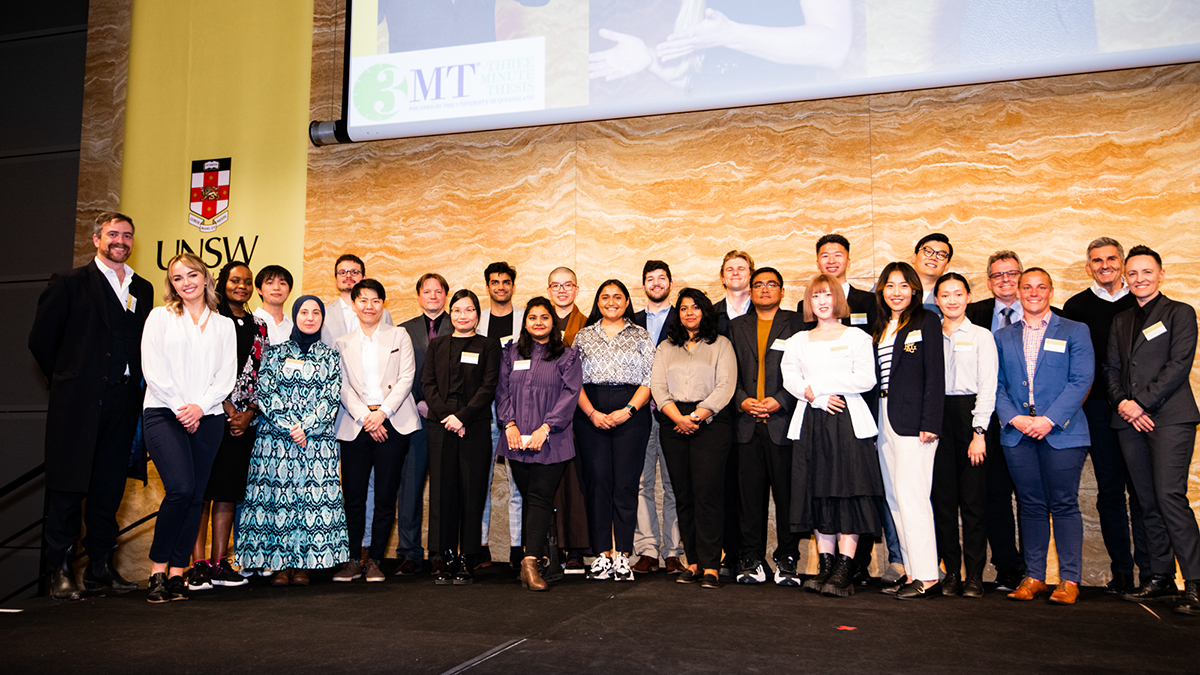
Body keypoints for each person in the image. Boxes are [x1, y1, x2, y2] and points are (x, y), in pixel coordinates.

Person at [29, 211, 153, 600]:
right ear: (96, 238)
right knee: (67, 488)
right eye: (113, 234)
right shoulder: (68, 282)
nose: (121, 240)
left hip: (125, 401)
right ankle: (60, 572)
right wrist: (69, 380)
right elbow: (41, 340)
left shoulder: (143, 287)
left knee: (109, 488)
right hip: (78, 403)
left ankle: (101, 569)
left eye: (127, 235)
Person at [1104, 246, 1200, 615]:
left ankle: (1194, 581)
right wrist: (1125, 405)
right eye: (1134, 273)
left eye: (1147, 271)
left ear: (1161, 274)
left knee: (1169, 496)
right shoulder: (1121, 319)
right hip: (1129, 421)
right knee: (1145, 500)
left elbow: (1178, 365)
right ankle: (1159, 578)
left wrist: (1141, 402)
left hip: (1170, 418)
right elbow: (1110, 370)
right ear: (1125, 277)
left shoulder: (1180, 313)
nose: (1140, 278)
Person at [140, 253, 237, 603]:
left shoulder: (223, 324)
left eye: (192, 274)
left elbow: (226, 375)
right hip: (165, 413)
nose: (186, 282)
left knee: (197, 495)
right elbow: (153, 370)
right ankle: (157, 572)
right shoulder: (159, 318)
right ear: (172, 285)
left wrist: (200, 407)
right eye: (178, 278)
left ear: (206, 277)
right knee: (180, 489)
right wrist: (184, 407)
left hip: (208, 416)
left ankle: (178, 575)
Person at [995, 268, 1093, 605]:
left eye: (1040, 287)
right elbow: (995, 385)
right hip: (1018, 432)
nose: (1033, 292)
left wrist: (1049, 420)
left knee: (1064, 504)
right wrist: (1016, 419)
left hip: (1063, 432)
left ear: (1051, 291)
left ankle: (1069, 580)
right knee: (1031, 505)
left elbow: (1081, 380)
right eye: (1027, 287)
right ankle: (1034, 576)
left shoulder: (1075, 331)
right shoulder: (1002, 337)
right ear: (1018, 292)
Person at [236, 296, 349, 585]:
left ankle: (304, 566)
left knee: (308, 503)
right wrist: (290, 426)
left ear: (322, 318)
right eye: (303, 312)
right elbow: (265, 391)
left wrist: (306, 427)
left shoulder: (330, 356)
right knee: (279, 503)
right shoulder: (274, 353)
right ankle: (279, 565)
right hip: (276, 442)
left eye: (315, 313)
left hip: (315, 443)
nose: (309, 318)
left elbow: (330, 397)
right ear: (295, 316)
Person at [782, 274, 881, 597]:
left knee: (848, 491)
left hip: (847, 422)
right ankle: (825, 565)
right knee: (817, 490)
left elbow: (866, 379)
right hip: (810, 421)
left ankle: (844, 567)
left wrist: (820, 388)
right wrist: (816, 398)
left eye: (827, 295)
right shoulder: (798, 340)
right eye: (816, 296)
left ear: (838, 299)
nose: (822, 301)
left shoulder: (857, 337)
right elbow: (790, 379)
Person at [1061, 238, 1145, 594]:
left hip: (1140, 410)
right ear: (1088, 266)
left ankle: (1155, 573)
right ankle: (1122, 572)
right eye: (1097, 260)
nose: (1105, 265)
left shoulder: (1141, 302)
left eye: (1112, 259)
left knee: (1143, 493)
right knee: (1110, 492)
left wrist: (1137, 402)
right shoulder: (1076, 306)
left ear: (1122, 262)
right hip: (1096, 409)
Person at [332, 278, 420, 583]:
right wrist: (365, 417)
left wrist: (382, 414)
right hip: (356, 426)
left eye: (376, 301)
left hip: (393, 423)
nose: (370, 307)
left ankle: (376, 561)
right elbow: (341, 385)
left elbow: (407, 377)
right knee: (353, 497)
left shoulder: (399, 335)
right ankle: (353, 559)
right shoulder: (342, 342)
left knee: (385, 496)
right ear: (354, 305)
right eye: (363, 301)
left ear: (383, 304)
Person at [188, 261, 267, 591]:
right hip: (209, 414)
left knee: (228, 491)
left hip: (244, 421)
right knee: (201, 492)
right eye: (236, 280)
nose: (242, 287)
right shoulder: (208, 320)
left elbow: (264, 372)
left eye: (247, 282)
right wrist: (226, 406)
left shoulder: (259, 325)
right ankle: (196, 565)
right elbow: (200, 367)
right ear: (222, 283)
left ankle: (220, 563)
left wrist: (248, 412)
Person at [651, 288, 737, 589]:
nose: (689, 312)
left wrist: (697, 416)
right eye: (684, 308)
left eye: (695, 307)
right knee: (683, 495)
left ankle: (713, 564)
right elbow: (658, 388)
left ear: (704, 311)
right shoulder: (665, 347)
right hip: (673, 422)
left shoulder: (721, 344)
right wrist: (678, 418)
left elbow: (726, 386)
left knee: (708, 494)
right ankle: (694, 562)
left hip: (711, 423)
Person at [496, 297, 583, 591]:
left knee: (540, 498)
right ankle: (531, 560)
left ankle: (530, 562)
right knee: (531, 498)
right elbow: (502, 391)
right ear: (525, 322)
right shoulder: (510, 353)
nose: (538, 322)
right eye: (532, 317)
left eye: (544, 317)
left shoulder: (567, 356)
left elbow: (570, 394)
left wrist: (545, 428)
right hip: (516, 439)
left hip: (552, 441)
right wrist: (509, 424)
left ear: (552, 321)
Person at [573, 280, 655, 582]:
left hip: (631, 413)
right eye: (605, 297)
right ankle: (601, 555)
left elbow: (649, 380)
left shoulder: (640, 335)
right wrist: (592, 413)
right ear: (598, 301)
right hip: (589, 413)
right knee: (597, 483)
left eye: (617, 297)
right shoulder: (583, 336)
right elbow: (573, 382)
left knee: (625, 484)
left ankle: (622, 554)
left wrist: (628, 411)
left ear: (626, 301)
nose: (611, 301)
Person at [872, 261, 944, 600]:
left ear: (914, 289)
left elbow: (935, 375)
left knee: (913, 498)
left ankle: (929, 576)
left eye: (903, 285)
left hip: (915, 423)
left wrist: (931, 422)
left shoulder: (926, 321)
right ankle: (913, 571)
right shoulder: (882, 326)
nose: (896, 292)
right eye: (890, 285)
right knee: (895, 498)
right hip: (883, 417)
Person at [423, 289, 501, 585]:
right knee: (443, 492)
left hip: (475, 425)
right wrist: (448, 417)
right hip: (441, 425)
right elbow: (427, 385)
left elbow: (489, 385)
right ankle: (446, 558)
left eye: (469, 310)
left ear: (477, 316)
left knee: (472, 492)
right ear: (450, 313)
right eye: (457, 310)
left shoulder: (488, 345)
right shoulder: (437, 345)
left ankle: (468, 557)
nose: (462, 316)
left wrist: (463, 417)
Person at [729, 267, 802, 586]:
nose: (765, 289)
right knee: (749, 499)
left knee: (788, 498)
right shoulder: (735, 326)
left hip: (782, 423)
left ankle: (788, 560)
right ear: (750, 290)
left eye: (772, 284)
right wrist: (742, 400)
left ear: (782, 291)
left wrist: (782, 399)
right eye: (758, 285)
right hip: (746, 425)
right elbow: (727, 372)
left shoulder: (796, 324)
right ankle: (752, 559)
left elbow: (805, 368)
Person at [964, 250, 1027, 591]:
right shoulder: (971, 315)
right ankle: (1007, 567)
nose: (1004, 280)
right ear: (988, 282)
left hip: (1031, 424)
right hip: (986, 423)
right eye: (997, 275)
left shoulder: (1048, 315)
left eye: (1011, 274)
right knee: (994, 496)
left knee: (1032, 499)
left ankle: (1034, 569)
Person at [931, 273, 997, 598]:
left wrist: (979, 432)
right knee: (943, 503)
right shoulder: (929, 334)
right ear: (937, 299)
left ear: (969, 297)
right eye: (946, 295)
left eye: (959, 294)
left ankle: (974, 575)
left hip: (971, 419)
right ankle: (952, 573)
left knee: (973, 504)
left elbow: (988, 386)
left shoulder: (983, 336)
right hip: (937, 420)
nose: (952, 300)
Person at [396, 272, 452, 575]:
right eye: (426, 291)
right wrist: (418, 401)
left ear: (445, 295)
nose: (432, 295)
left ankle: (439, 552)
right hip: (413, 419)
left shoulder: (458, 325)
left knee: (443, 488)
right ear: (418, 296)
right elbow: (398, 374)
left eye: (438, 290)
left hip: (447, 422)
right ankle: (409, 552)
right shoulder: (403, 331)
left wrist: (443, 409)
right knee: (410, 488)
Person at [631, 260, 684, 575]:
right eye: (650, 278)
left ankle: (674, 551)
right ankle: (648, 550)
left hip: (673, 412)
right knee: (641, 483)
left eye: (661, 278)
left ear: (670, 283)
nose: (656, 282)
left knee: (675, 482)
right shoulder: (631, 320)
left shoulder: (685, 317)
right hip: (637, 412)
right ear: (643, 285)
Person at [477, 261, 525, 569]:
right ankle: (479, 547)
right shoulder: (474, 319)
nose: (500, 287)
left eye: (506, 282)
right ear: (488, 287)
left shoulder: (526, 319)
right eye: (494, 282)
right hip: (482, 410)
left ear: (512, 285)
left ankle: (518, 550)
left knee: (518, 484)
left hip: (517, 412)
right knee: (480, 481)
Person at [546, 266, 591, 571]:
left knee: (575, 483)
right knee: (547, 484)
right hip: (542, 415)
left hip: (578, 414)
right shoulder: (539, 323)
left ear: (577, 290)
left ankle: (575, 548)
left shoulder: (589, 325)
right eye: (556, 285)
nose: (562, 290)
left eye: (568, 285)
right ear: (548, 290)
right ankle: (550, 546)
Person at [713, 250, 754, 575]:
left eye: (742, 268)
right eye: (731, 269)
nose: (736, 273)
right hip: (723, 411)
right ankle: (731, 552)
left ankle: (753, 554)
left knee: (750, 488)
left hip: (765, 411)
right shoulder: (711, 314)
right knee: (726, 485)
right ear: (723, 276)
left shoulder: (768, 310)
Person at [797, 233, 876, 330]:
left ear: (848, 262)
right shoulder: (805, 305)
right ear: (817, 264)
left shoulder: (870, 301)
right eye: (825, 256)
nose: (831, 261)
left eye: (837, 255)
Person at [321, 254, 395, 346]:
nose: (348, 276)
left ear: (364, 277)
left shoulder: (383, 314)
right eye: (342, 272)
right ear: (336, 280)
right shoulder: (323, 314)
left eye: (354, 272)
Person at [912, 233, 953, 317]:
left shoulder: (953, 299)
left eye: (941, 255)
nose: (933, 257)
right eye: (927, 251)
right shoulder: (888, 290)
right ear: (914, 257)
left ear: (947, 266)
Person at [252, 264, 295, 346]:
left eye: (282, 283)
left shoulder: (294, 327)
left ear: (290, 291)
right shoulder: (250, 322)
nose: (276, 287)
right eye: (270, 282)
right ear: (259, 289)